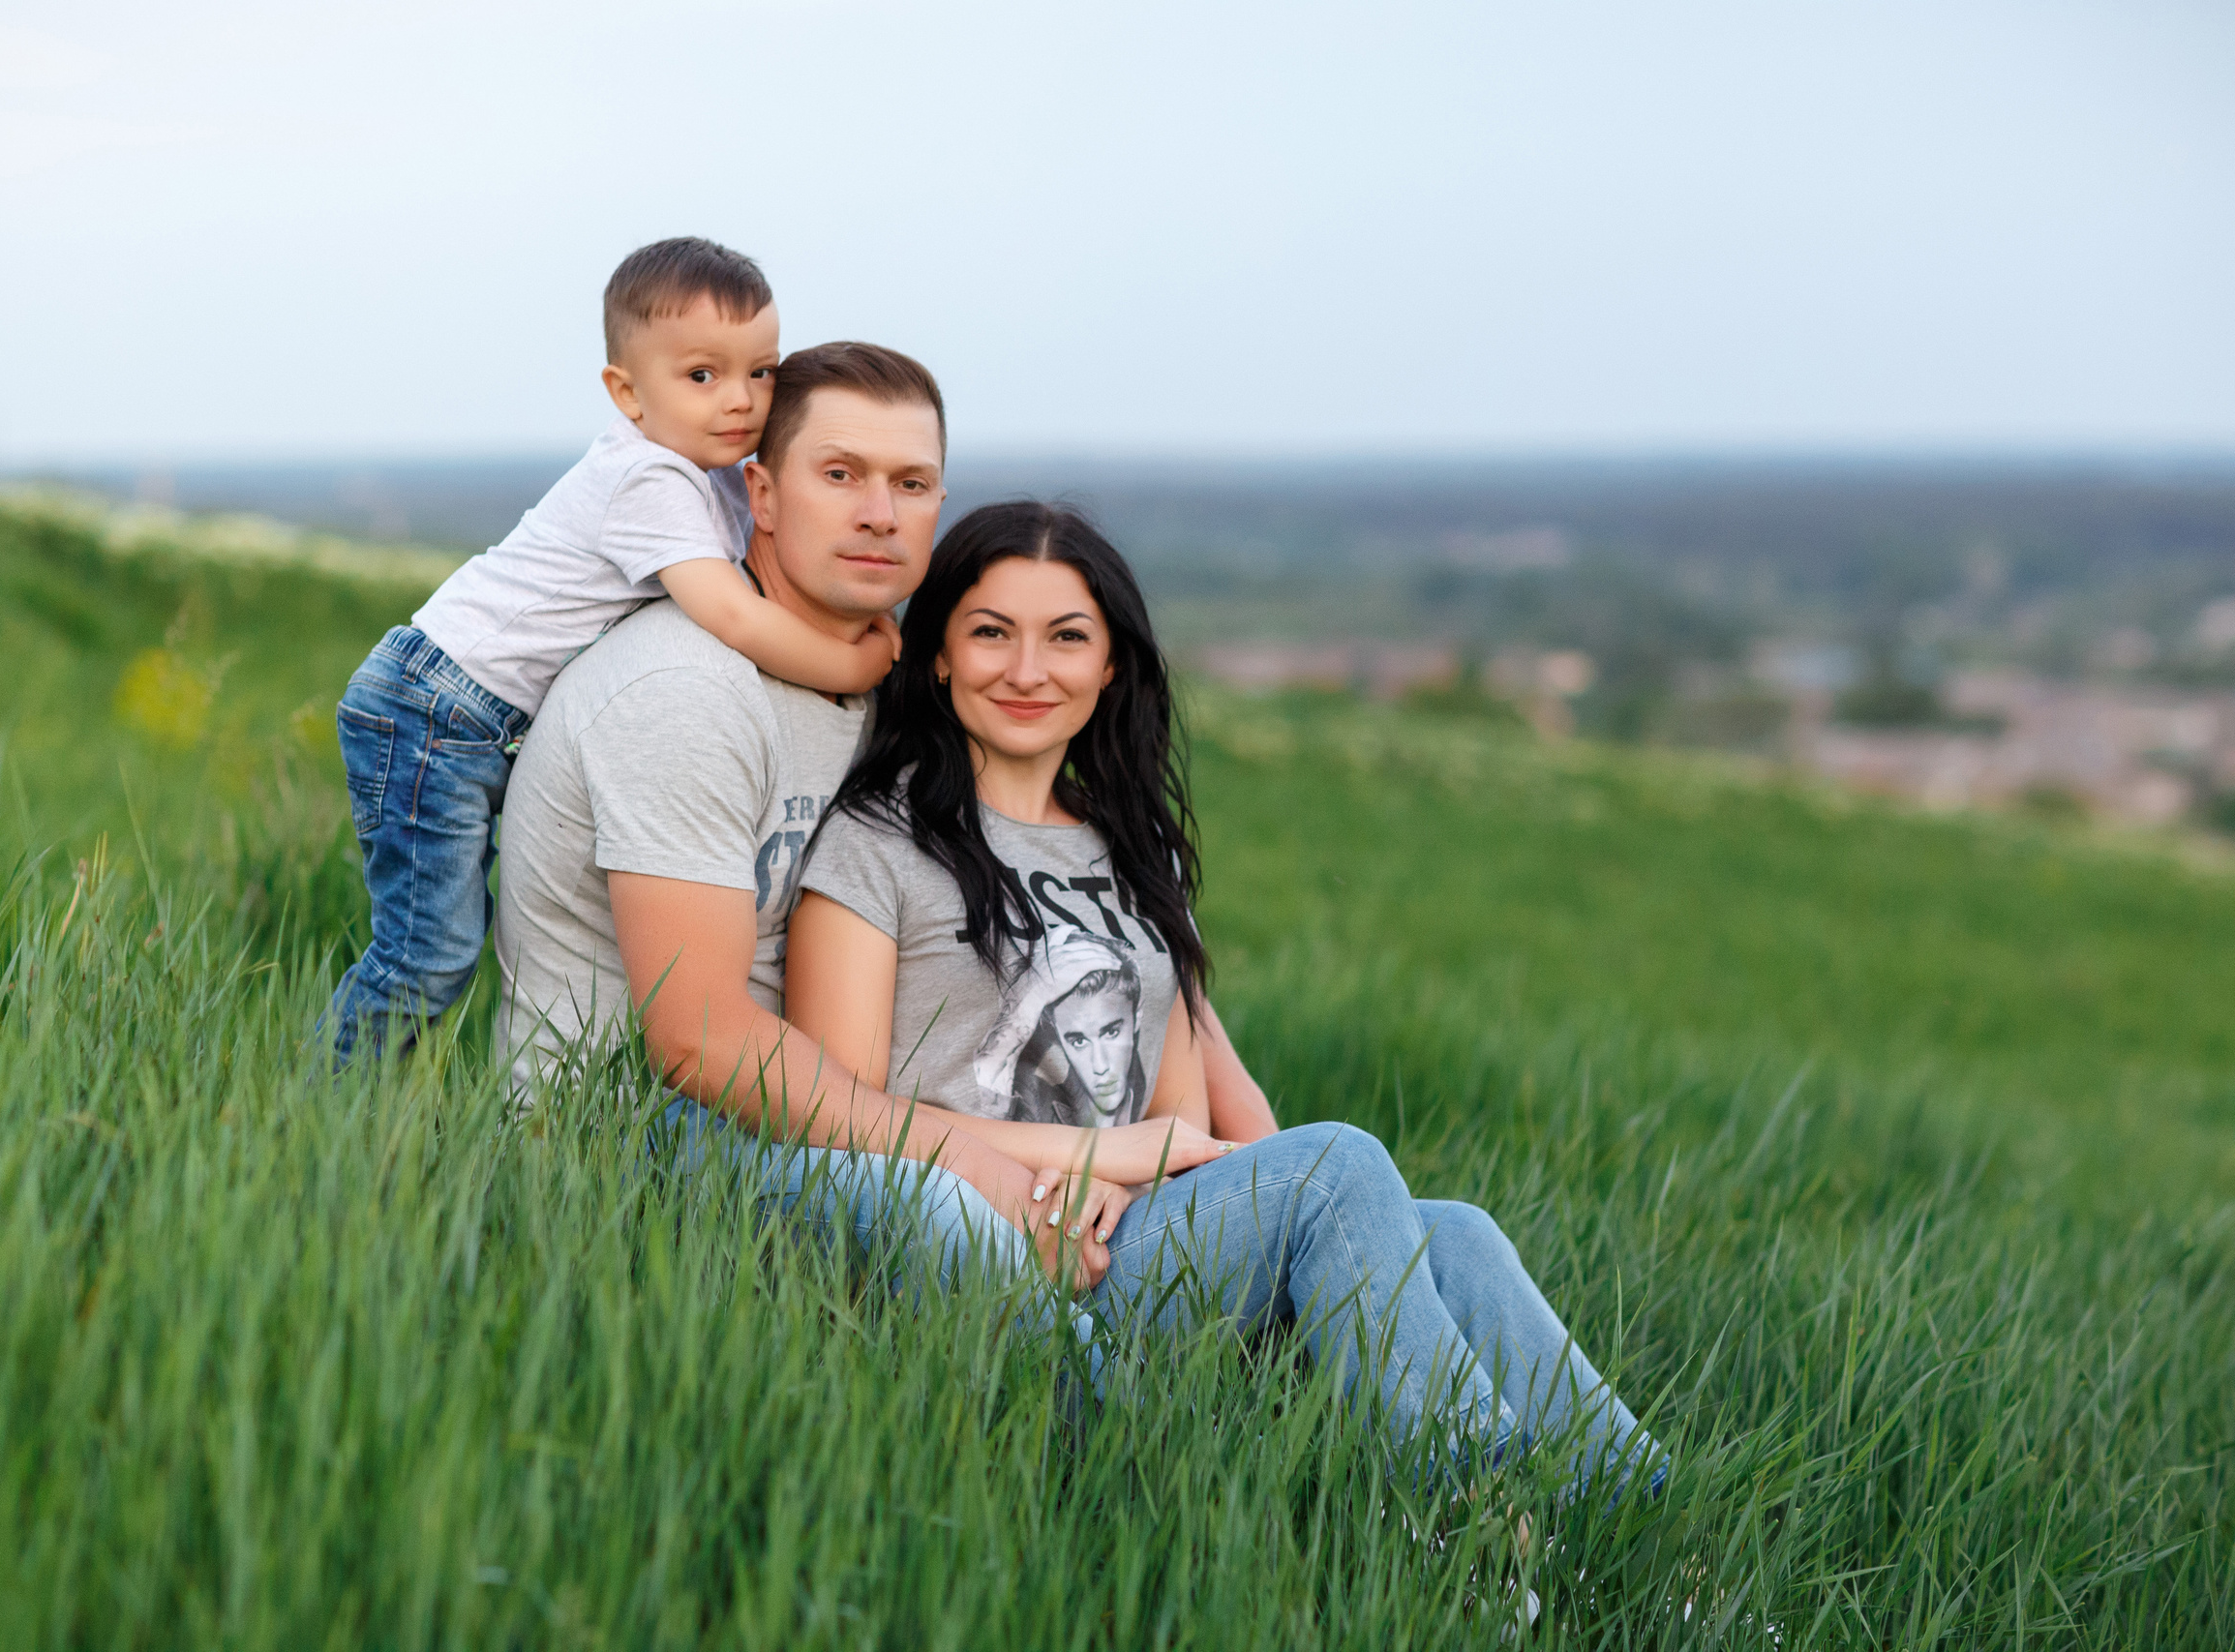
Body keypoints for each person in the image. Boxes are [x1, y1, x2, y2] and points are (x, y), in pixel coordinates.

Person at [785, 500, 1662, 1484]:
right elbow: (833, 1113)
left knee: (1453, 1232)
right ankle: (1472, 1518)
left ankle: (1644, 1533)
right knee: (1334, 1164)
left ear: (1110, 664)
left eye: (1066, 637)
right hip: (990, 1249)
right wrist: (1087, 1157)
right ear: (937, 655)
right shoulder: (876, 844)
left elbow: (1176, 1117)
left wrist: (1127, 1172)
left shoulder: (1134, 846)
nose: (1027, 670)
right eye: (990, 633)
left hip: (1124, 1238)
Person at [491, 342, 1232, 1290]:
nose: (879, 513)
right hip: (626, 1138)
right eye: (839, 476)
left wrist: (1227, 1151)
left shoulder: (882, 688)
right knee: (949, 1212)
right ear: (759, 496)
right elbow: (699, 1042)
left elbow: (1127, 945)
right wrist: (971, 1158)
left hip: (816, 1120)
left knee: (1420, 1228)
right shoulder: (686, 692)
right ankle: (1102, 1424)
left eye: (912, 482)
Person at [323, 237, 899, 1063]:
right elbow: (733, 616)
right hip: (434, 709)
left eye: (762, 372)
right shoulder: (649, 480)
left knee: (451, 941)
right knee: (430, 953)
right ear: (626, 393)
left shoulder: (706, 475)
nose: (739, 400)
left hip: (469, 711)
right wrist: (856, 666)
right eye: (702, 375)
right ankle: (328, 1109)